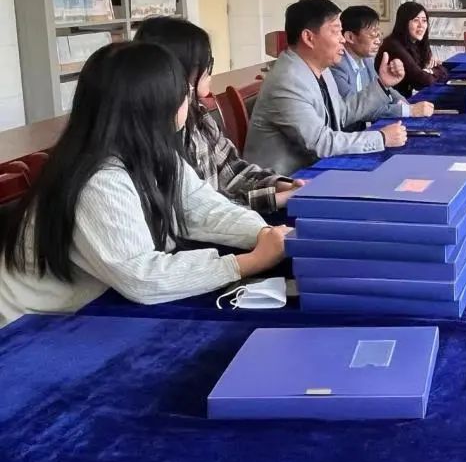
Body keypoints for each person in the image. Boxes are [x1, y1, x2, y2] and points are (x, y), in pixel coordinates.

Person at [0, 42, 287, 325]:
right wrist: (247, 263)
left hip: (95, 304)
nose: (189, 100)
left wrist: (264, 234)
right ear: (154, 107)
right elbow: (141, 277)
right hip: (30, 329)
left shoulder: (152, 154)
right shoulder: (99, 179)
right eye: (183, 93)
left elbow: (204, 208)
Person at [134, 16, 304, 215]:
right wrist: (274, 199)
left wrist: (279, 185)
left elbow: (232, 170)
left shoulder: (199, 114)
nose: (209, 71)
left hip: (230, 217)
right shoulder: (151, 136)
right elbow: (197, 211)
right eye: (205, 64)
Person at [245, 0, 427, 175]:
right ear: (309, 37)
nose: (343, 39)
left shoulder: (321, 70)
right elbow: (321, 143)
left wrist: (382, 84)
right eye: (336, 31)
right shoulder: (288, 81)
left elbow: (343, 114)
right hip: (286, 182)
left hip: (317, 169)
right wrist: (381, 137)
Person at [331, 5, 429, 121]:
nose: (378, 41)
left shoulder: (367, 60)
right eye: (373, 35)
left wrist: (404, 103)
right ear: (350, 37)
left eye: (379, 34)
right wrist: (407, 110)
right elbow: (358, 110)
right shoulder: (337, 66)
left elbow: (386, 89)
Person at [377, 1, 449, 97]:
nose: (421, 25)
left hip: (404, 99)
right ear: (404, 23)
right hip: (390, 101)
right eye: (416, 20)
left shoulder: (418, 43)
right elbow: (422, 81)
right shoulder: (393, 46)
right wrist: (431, 71)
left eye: (424, 21)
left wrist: (430, 71)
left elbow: (443, 70)